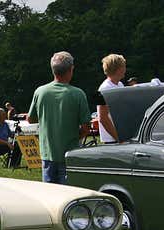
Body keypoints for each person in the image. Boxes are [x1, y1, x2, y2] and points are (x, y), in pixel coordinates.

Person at [28, 51, 89, 184]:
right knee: (69, 198)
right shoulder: (78, 94)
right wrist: (72, 136)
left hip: (47, 155)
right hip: (69, 155)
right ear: (70, 70)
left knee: (49, 198)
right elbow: (85, 128)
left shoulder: (40, 92)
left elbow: (30, 119)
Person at [94, 54, 126, 144]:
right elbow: (102, 118)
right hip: (112, 140)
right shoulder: (104, 89)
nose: (125, 69)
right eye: (123, 66)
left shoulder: (120, 85)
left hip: (120, 137)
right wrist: (118, 138)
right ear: (118, 69)